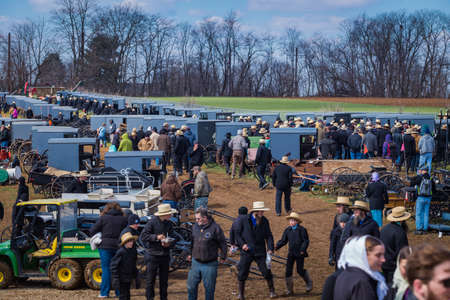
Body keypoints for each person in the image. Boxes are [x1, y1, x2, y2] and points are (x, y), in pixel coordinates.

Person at [235, 201, 276, 299]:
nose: (262, 213)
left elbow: (269, 236)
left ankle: (272, 291)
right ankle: (241, 294)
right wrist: (242, 244)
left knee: (266, 271)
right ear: (256, 211)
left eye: (263, 211)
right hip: (247, 251)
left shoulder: (265, 221)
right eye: (261, 211)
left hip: (260, 251)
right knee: (243, 272)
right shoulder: (244, 220)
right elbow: (238, 234)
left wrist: (270, 248)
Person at [187, 207, 227, 300]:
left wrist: (223, 256)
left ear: (205, 218)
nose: (196, 221)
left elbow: (223, 243)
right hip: (195, 262)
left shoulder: (215, 228)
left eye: (198, 218)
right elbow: (192, 242)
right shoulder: (195, 227)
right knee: (191, 287)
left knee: (209, 289)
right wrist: (189, 253)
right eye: (196, 219)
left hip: (210, 264)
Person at [90, 202, 127, 298]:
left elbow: (92, 230)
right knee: (118, 270)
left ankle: (104, 293)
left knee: (106, 269)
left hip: (105, 246)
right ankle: (119, 293)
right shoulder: (123, 219)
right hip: (119, 246)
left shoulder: (103, 218)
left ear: (107, 209)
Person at [140, 204, 178, 300]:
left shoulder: (168, 223)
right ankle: (150, 298)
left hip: (164, 255)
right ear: (164, 214)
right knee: (150, 280)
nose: (170, 215)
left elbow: (174, 237)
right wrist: (156, 237)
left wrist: (169, 243)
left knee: (164, 280)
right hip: (153, 255)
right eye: (169, 214)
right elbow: (143, 236)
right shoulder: (151, 223)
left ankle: (163, 298)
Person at [334, 235, 388, 300]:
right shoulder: (362, 282)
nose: (383, 259)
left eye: (383, 255)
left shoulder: (345, 274)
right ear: (363, 255)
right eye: (378, 255)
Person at [275, 211, 312, 295]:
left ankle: (309, 282)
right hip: (291, 253)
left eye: (293, 220)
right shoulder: (287, 230)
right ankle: (289, 289)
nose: (291, 222)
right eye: (290, 220)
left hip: (300, 253)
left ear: (297, 221)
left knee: (299, 270)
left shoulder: (302, 230)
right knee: (288, 271)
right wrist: (277, 246)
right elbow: (283, 240)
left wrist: (303, 249)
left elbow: (305, 241)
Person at [380, 207, 410, 285]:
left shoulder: (384, 229)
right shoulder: (400, 232)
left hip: (383, 263)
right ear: (403, 220)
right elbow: (402, 252)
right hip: (393, 266)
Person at [111, 232, 138, 300]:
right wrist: (115, 278)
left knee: (127, 294)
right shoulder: (121, 252)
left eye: (132, 241)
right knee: (123, 295)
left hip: (128, 277)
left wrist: (136, 276)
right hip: (121, 278)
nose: (131, 243)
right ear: (125, 243)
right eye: (129, 241)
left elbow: (133, 264)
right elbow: (113, 265)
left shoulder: (132, 251)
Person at [409, 166, 435, 234]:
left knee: (418, 213)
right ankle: (425, 228)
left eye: (421, 170)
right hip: (428, 198)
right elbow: (434, 189)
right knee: (426, 213)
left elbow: (412, 183)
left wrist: (412, 179)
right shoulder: (431, 178)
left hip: (420, 197)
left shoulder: (420, 177)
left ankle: (419, 228)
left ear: (423, 170)